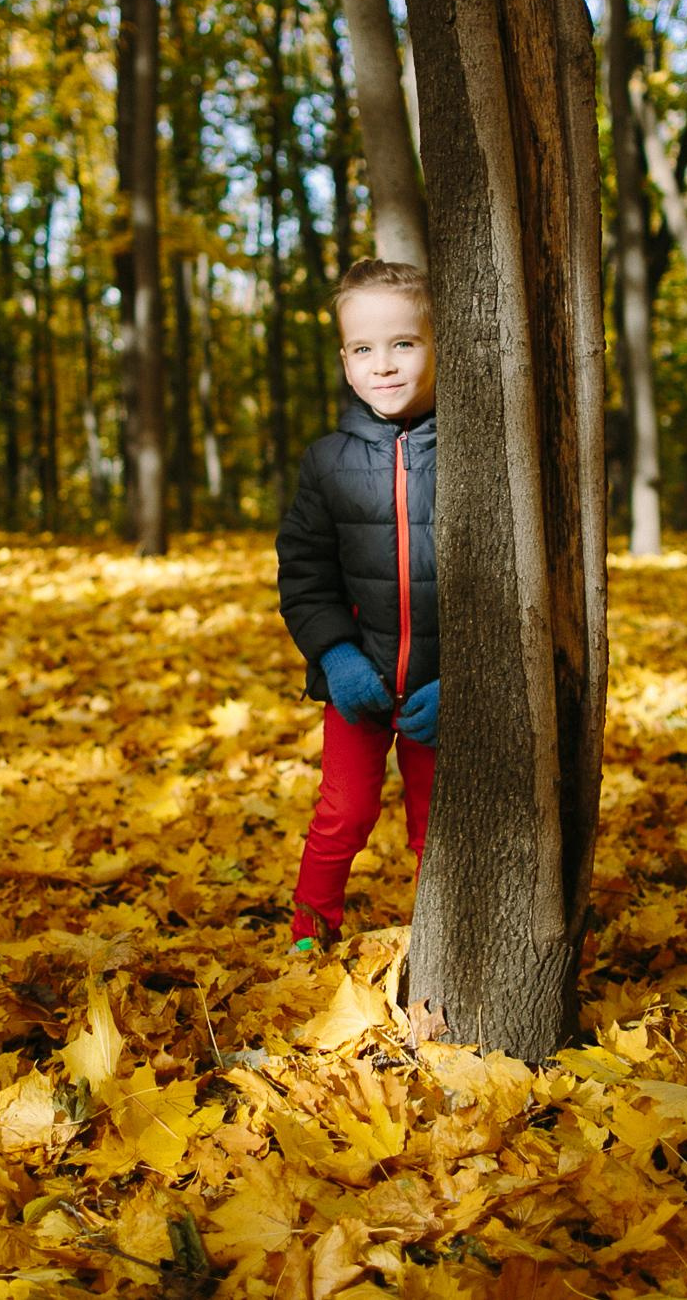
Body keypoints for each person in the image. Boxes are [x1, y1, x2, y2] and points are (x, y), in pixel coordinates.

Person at [276, 258, 440, 952]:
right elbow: (304, 572)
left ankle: (446, 946)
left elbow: (501, 584)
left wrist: (466, 677)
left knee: (440, 826)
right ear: (345, 363)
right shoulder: (326, 463)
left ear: (438, 347)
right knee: (342, 811)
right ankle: (309, 935)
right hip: (357, 683)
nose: (385, 363)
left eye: (404, 343)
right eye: (365, 348)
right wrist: (336, 656)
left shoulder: (473, 453)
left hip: (443, 688)